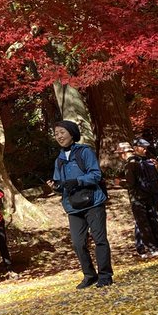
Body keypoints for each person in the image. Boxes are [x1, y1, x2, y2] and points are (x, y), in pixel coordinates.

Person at [48, 121, 113, 289]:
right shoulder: (59, 160)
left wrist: (77, 181)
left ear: (72, 133)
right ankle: (90, 275)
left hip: (93, 202)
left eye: (62, 132)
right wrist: (56, 187)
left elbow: (96, 175)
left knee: (100, 239)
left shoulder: (84, 152)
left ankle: (105, 275)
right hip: (73, 206)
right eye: (56, 134)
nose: (59, 136)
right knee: (77, 243)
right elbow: (61, 184)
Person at [120, 139, 158, 258]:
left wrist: (120, 183)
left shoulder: (132, 164)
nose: (145, 150)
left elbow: (131, 182)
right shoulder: (148, 162)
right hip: (150, 195)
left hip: (139, 197)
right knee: (149, 221)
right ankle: (147, 247)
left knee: (144, 223)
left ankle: (152, 248)